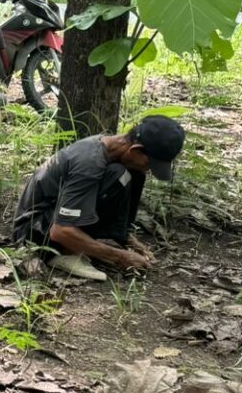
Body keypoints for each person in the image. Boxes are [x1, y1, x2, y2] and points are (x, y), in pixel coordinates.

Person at [11, 115, 186, 280]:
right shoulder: (89, 163)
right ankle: (65, 253)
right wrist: (120, 257)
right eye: (149, 163)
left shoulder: (109, 149)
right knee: (121, 175)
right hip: (36, 232)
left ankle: (97, 242)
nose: (148, 169)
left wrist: (128, 241)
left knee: (128, 175)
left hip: (55, 219)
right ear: (135, 150)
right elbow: (61, 231)